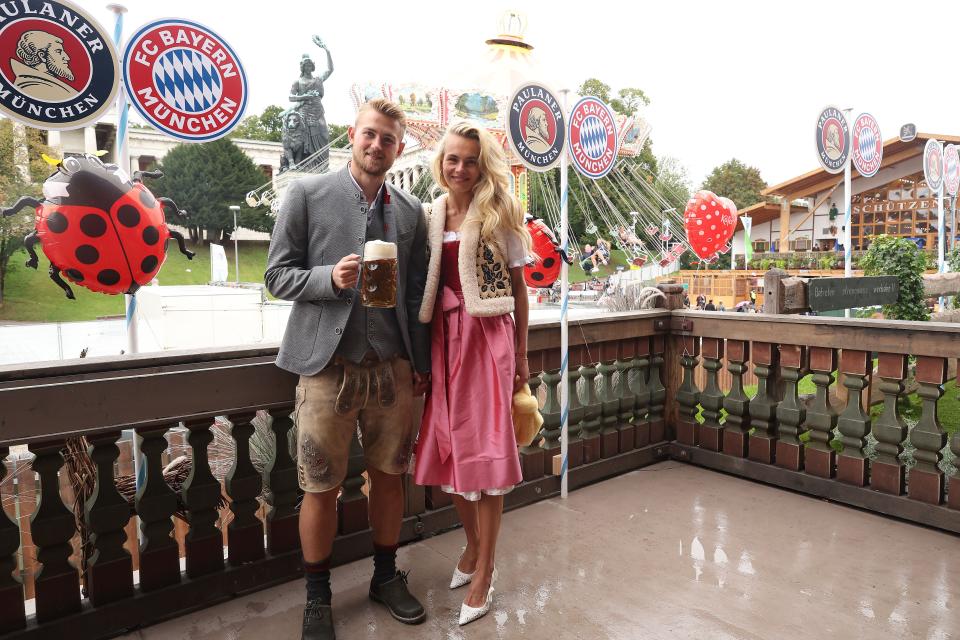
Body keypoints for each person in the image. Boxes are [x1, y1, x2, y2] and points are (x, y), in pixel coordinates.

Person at [265, 98, 431, 640]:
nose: (377, 145)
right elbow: (276, 276)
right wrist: (327, 280)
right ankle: (317, 594)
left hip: (391, 369)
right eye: (370, 134)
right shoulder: (308, 194)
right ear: (352, 135)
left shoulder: (408, 211)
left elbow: (414, 298)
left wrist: (420, 363)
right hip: (325, 367)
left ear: (399, 147)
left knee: (390, 478)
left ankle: (386, 576)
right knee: (320, 486)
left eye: (388, 139)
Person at [414, 121, 530, 627]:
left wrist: (522, 356)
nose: (459, 168)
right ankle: (474, 548)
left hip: (485, 340)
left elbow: (521, 290)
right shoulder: (429, 215)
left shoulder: (501, 212)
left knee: (484, 451)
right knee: (451, 448)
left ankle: (484, 571)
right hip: (442, 341)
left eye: (470, 160)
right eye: (452, 159)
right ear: (440, 163)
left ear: (484, 165)